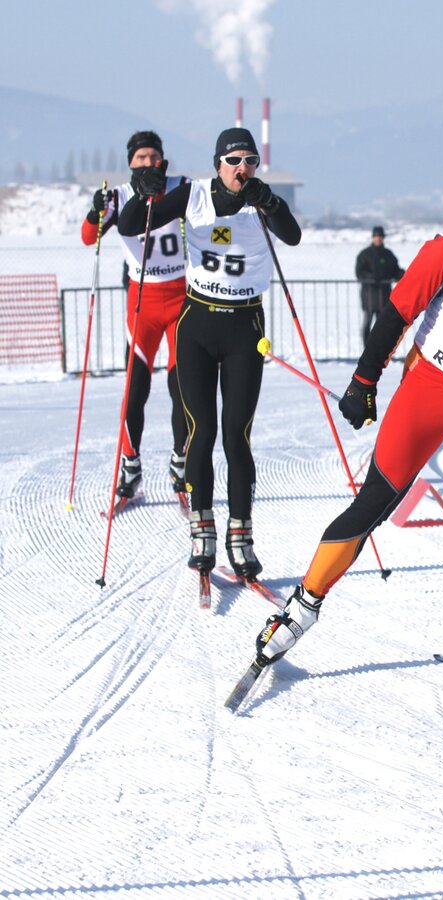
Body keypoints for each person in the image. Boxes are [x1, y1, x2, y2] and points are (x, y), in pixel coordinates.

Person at [250, 164, 443, 677]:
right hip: (431, 388)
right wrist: (363, 382)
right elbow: (397, 313)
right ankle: (300, 608)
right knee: (375, 501)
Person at [118, 127, 301, 579]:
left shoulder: (262, 203)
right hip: (197, 325)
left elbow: (292, 236)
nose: (243, 168)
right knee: (201, 431)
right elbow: (129, 225)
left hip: (244, 328)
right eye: (234, 160)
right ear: (218, 164)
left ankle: (241, 535)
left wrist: (269, 201)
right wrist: (142, 192)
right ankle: (203, 530)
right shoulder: (194, 195)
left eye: (250, 161)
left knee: (236, 435)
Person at [81, 131, 189, 503]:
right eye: (140, 157)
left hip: (181, 299)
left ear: (162, 159)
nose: (147, 162)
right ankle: (130, 465)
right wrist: (95, 210)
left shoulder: (181, 187)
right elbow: (88, 236)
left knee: (183, 388)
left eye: (153, 156)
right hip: (142, 302)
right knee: (135, 389)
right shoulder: (119, 196)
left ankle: (181, 463)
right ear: (130, 162)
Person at [355, 225, 405, 348]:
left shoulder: (388, 254)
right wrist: (372, 278)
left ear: (383, 238)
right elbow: (359, 273)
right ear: (372, 237)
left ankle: (380, 348)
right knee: (367, 323)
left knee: (382, 325)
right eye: (376, 236)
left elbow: (395, 271)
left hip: (384, 296)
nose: (378, 238)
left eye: (380, 236)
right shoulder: (365, 254)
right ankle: (366, 349)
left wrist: (403, 275)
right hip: (369, 296)